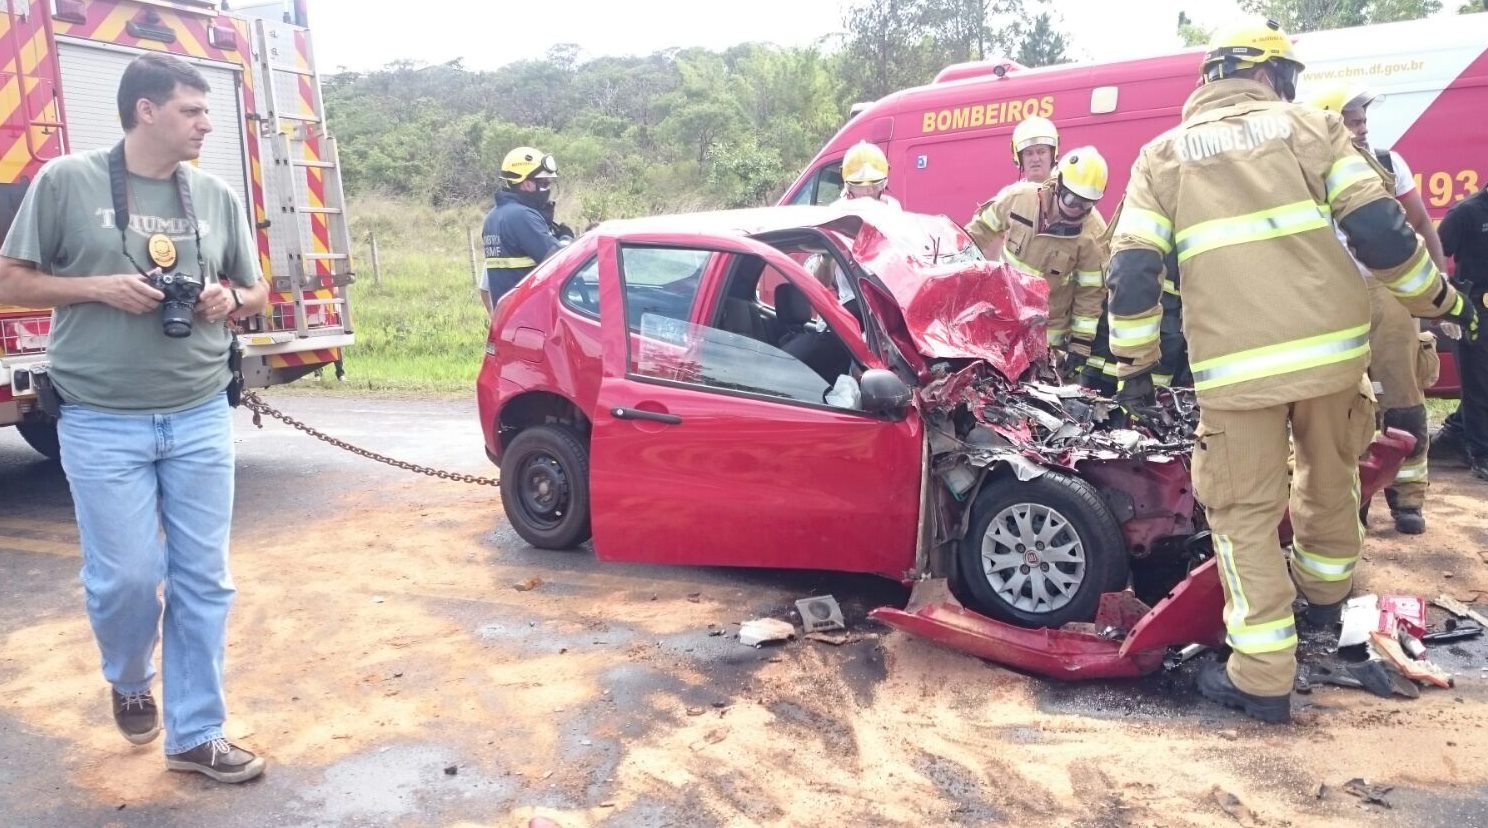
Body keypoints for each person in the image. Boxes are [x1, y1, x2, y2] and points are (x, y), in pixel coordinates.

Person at [1106, 20, 1477, 724]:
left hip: (1236, 370)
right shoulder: (1311, 129)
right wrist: (1444, 301)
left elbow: (1132, 273)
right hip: (1334, 353)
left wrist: (1135, 367)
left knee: (1243, 514)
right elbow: (1380, 234)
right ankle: (1328, 596)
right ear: (1271, 76)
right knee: (1330, 478)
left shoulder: (1161, 156)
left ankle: (1263, 676)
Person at [0, 53, 270, 781]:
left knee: (203, 579)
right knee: (125, 580)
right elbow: (8, 278)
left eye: (207, 110)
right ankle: (128, 678)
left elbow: (257, 286)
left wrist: (228, 300)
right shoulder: (66, 181)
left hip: (197, 414)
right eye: (191, 110)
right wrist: (98, 289)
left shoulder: (214, 195)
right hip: (100, 419)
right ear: (145, 110)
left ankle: (196, 733)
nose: (207, 123)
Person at [1311, 84, 1452, 533]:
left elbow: (1421, 222)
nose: (1363, 125)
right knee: (1350, 402)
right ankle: (1357, 498)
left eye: (1364, 117)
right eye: (1352, 118)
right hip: (1339, 294)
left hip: (1390, 291)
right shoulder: (1312, 175)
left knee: (1403, 395)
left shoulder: (1390, 164)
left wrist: (1436, 290)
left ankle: (1407, 498)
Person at [964, 146, 1110, 374]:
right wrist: (958, 269)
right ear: (1059, 184)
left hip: (1047, 340)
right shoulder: (1020, 199)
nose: (1076, 210)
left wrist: (1080, 345)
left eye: (1086, 204)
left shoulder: (1093, 235)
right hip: (1001, 320)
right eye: (1071, 199)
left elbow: (1090, 293)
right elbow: (977, 231)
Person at [1435, 187, 1488, 479]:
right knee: (1478, 381)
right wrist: (1445, 305)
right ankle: (1481, 454)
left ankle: (1456, 431)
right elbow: (1435, 252)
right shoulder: (1466, 213)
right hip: (1475, 309)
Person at [481, 147, 561, 316]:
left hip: (509, 319)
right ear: (527, 183)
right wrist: (566, 237)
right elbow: (559, 261)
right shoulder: (522, 216)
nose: (548, 189)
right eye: (544, 183)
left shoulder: (492, 218)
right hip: (530, 318)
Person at [1010, 115, 1059, 184]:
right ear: (1020, 159)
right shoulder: (1012, 194)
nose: (1035, 159)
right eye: (1029, 153)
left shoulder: (1068, 192)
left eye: (1041, 152)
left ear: (1052, 155)